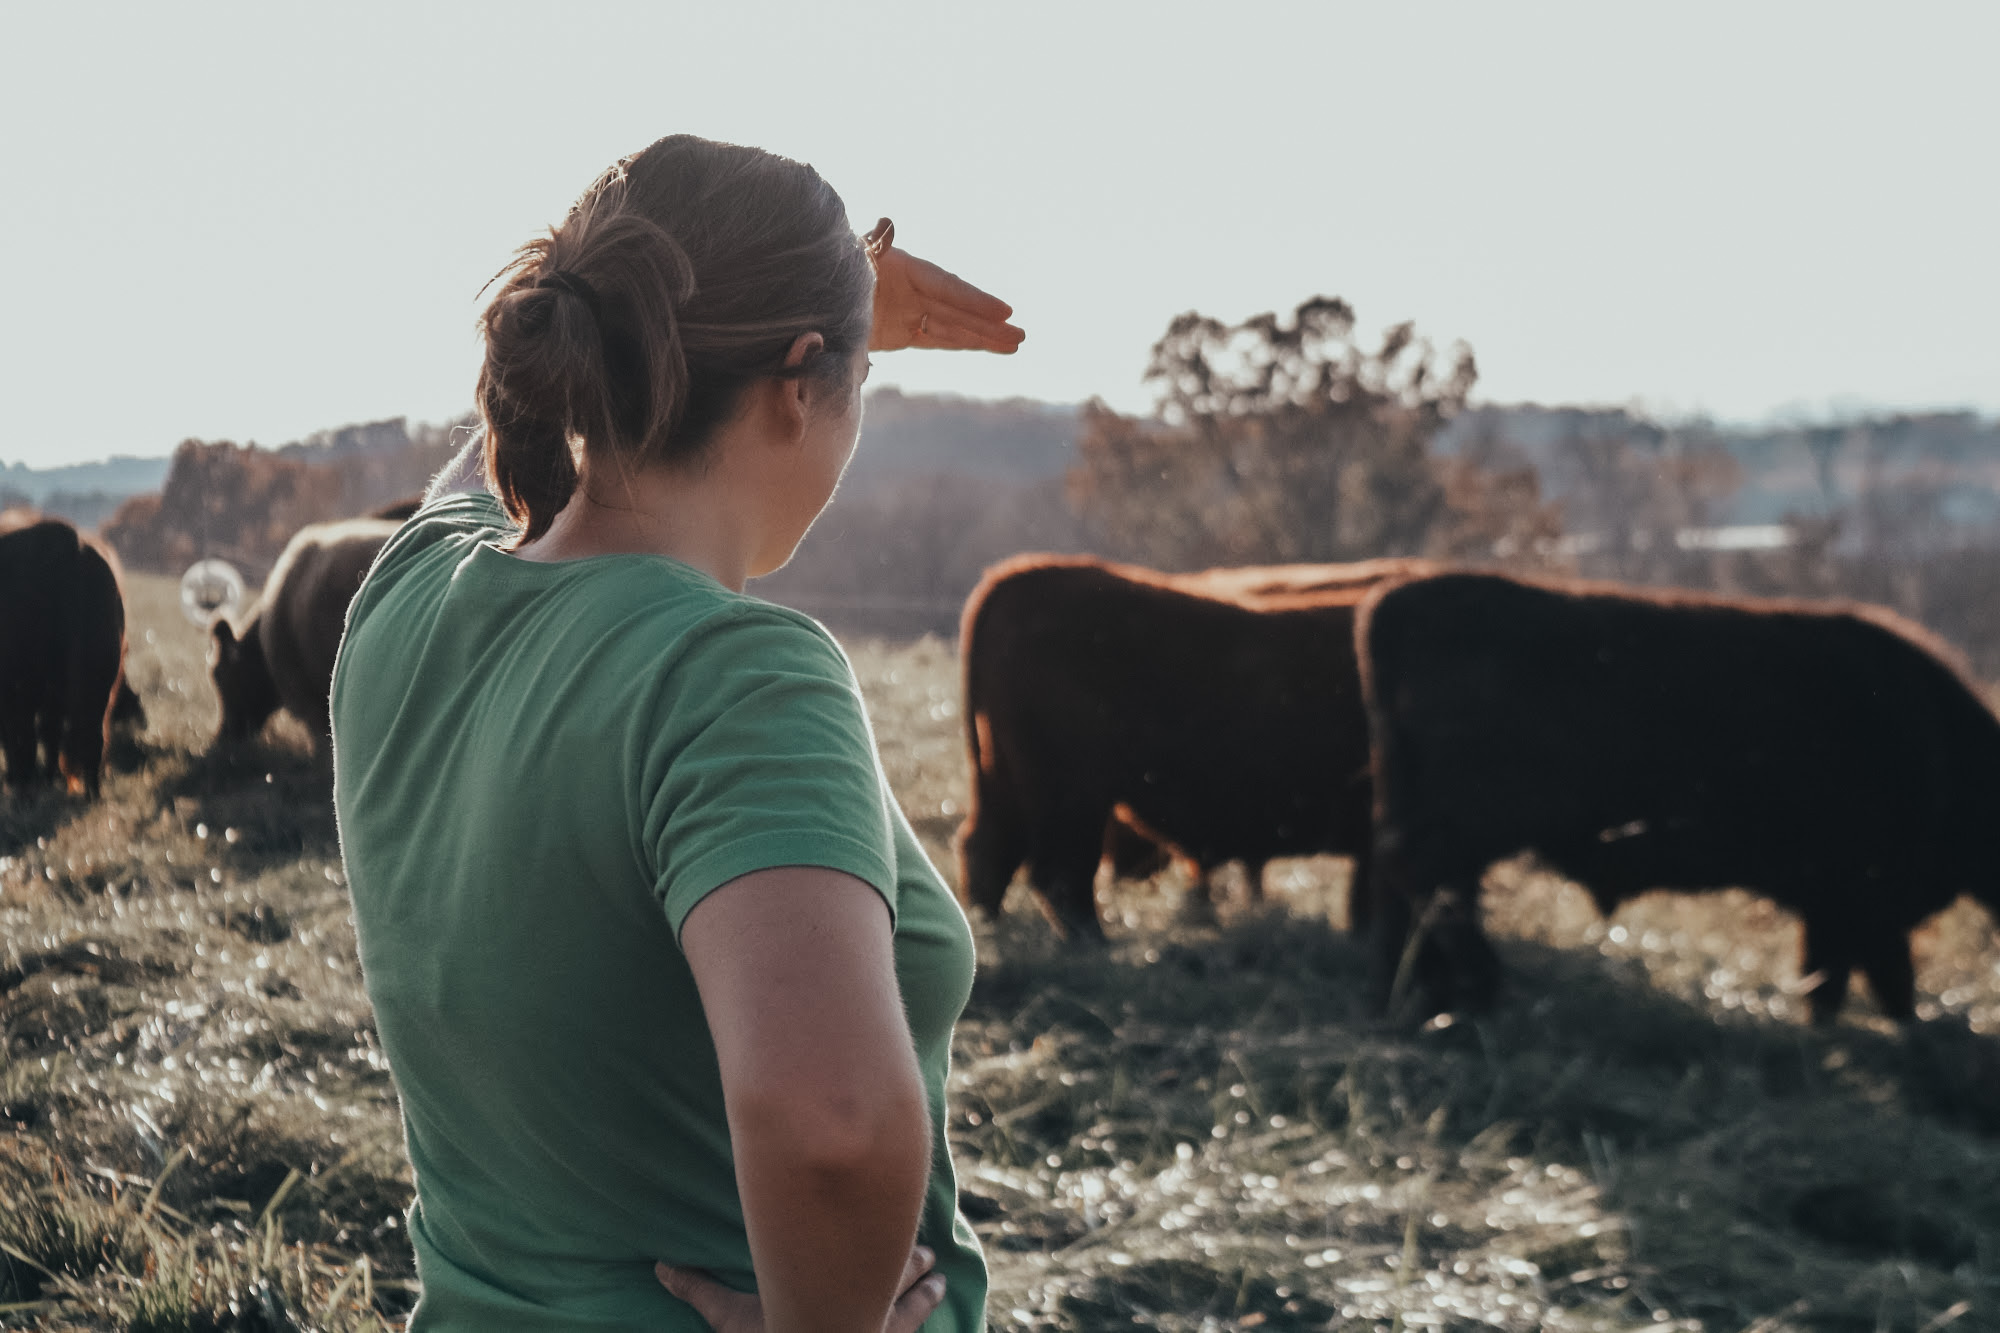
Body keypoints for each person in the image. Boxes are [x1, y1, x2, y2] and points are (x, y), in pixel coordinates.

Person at [329, 133, 1024, 1332]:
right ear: (802, 380)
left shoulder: (404, 592)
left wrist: (827, 295)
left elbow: (490, 449)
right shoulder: (735, 678)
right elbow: (834, 1130)